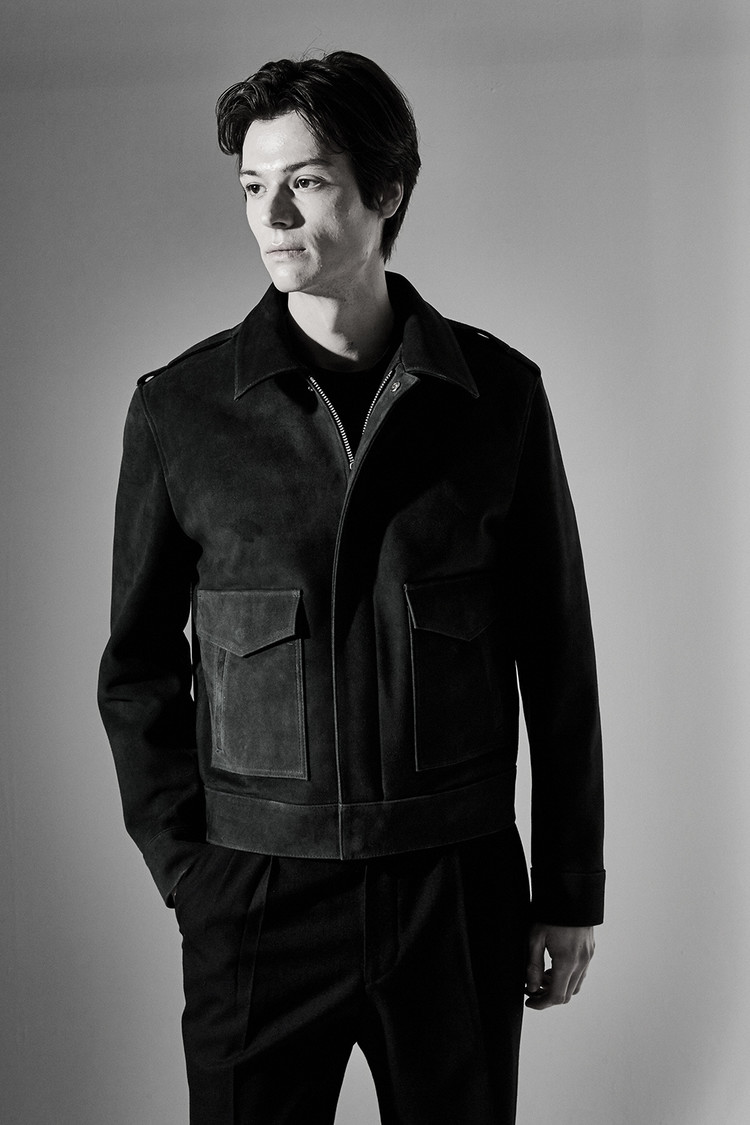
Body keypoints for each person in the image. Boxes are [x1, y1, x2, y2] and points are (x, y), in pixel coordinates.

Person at [98, 50, 604, 1125]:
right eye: (253, 185)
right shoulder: (182, 412)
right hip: (257, 895)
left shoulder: (496, 398)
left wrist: (569, 890)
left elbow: (558, 653)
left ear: (388, 191)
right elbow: (136, 669)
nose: (272, 214)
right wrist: (191, 872)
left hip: (453, 887)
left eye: (307, 181)